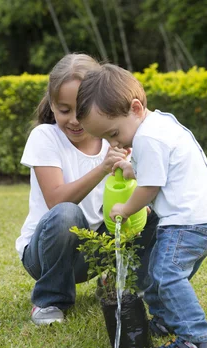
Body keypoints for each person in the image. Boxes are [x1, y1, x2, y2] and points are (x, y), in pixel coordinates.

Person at [76, 63, 207, 348]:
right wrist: (133, 170)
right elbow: (162, 170)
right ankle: (164, 320)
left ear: (135, 108)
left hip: (186, 222)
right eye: (107, 140)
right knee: (158, 274)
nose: (115, 143)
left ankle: (197, 339)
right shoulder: (159, 124)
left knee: (166, 274)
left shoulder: (148, 137)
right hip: (201, 218)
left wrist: (124, 208)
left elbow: (151, 188)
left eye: (114, 133)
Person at [15, 54, 158, 326]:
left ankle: (124, 286)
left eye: (81, 109)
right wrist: (103, 168)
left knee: (149, 210)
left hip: (93, 249)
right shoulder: (45, 137)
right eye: (64, 109)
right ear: (52, 105)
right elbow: (56, 201)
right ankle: (49, 300)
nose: (74, 120)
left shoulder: (114, 138)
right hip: (45, 252)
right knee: (68, 214)